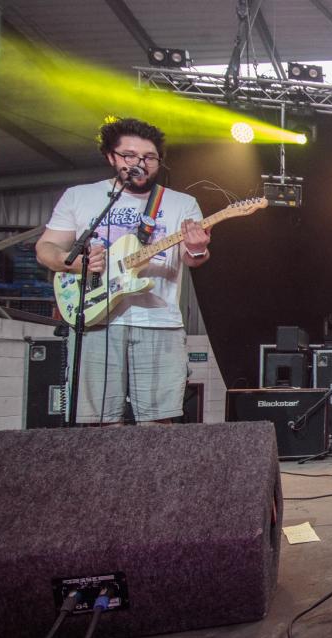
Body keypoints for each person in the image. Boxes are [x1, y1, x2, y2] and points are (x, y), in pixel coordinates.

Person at [35, 117, 210, 424]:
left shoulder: (182, 203)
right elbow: (45, 248)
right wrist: (71, 262)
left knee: (158, 420)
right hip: (94, 317)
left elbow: (192, 259)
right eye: (130, 155)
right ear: (111, 157)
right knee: (98, 421)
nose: (139, 163)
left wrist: (197, 247)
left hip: (159, 321)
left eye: (149, 157)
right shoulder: (80, 196)